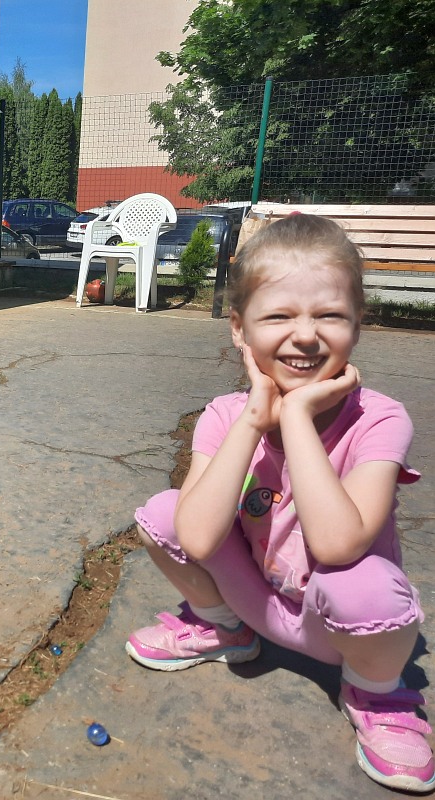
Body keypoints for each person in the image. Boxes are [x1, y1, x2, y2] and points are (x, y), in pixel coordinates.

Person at [125, 214, 433, 793]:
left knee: (365, 582)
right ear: (239, 329)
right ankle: (221, 630)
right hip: (255, 601)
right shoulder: (225, 415)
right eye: (280, 316)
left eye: (330, 315)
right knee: (164, 511)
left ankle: (380, 696)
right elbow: (195, 538)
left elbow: (338, 546)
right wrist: (253, 421)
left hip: (337, 624)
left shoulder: (381, 417)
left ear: (358, 324)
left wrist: (294, 418)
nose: (307, 335)